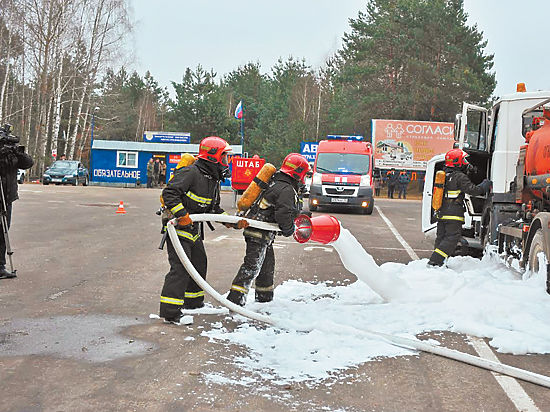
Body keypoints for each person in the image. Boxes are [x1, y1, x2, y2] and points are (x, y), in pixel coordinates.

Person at [159, 136, 245, 323]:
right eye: (225, 156)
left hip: (194, 227)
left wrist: (230, 221)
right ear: (213, 156)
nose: (227, 161)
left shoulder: (212, 179)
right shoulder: (191, 173)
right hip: (178, 226)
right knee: (181, 268)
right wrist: (182, 215)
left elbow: (212, 209)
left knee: (199, 263)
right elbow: (170, 193)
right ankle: (170, 312)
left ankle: (193, 303)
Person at [227, 153, 309, 307]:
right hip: (259, 232)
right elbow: (283, 213)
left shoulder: (277, 184)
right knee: (252, 266)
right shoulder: (286, 189)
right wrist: (288, 229)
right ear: (298, 173)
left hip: (261, 231)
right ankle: (234, 300)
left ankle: (264, 298)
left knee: (266, 265)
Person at [427, 149, 491, 267]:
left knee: (441, 237)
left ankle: (438, 263)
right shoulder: (459, 177)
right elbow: (474, 190)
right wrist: (485, 184)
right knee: (452, 238)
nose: (466, 163)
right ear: (458, 162)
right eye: (464, 160)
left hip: (441, 212)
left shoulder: (444, 175)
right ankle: (435, 261)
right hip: (453, 214)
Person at [0, 125, 34, 279]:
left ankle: (0, 266)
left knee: (3, 231)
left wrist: (16, 151)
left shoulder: (12, 151)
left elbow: (28, 163)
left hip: (7, 197)